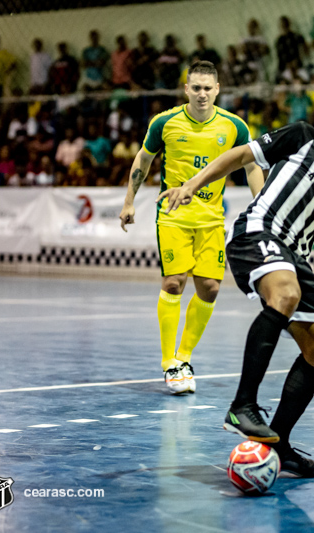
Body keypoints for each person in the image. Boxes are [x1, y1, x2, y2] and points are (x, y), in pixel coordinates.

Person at [157, 97, 314, 477]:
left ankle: (277, 444)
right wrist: (193, 183)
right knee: (286, 294)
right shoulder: (303, 137)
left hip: (296, 258)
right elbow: (241, 156)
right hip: (258, 232)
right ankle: (242, 405)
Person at [119, 61, 263, 394]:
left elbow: (251, 165)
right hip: (173, 215)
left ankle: (185, 357)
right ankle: (170, 363)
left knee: (210, 288)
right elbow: (143, 159)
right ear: (186, 89)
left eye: (207, 88)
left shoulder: (234, 127)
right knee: (173, 282)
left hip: (211, 218)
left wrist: (262, 205)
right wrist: (129, 202)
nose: (201, 94)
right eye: (195, 87)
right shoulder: (164, 122)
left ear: (217, 90)